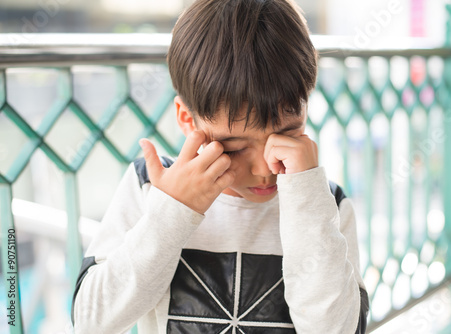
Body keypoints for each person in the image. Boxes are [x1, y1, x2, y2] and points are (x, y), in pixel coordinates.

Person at [71, 0, 369, 332]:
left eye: (288, 133)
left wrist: (306, 199)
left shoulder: (324, 203)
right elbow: (91, 321)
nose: (264, 168)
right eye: (235, 146)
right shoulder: (150, 187)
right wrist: (172, 211)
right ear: (187, 119)